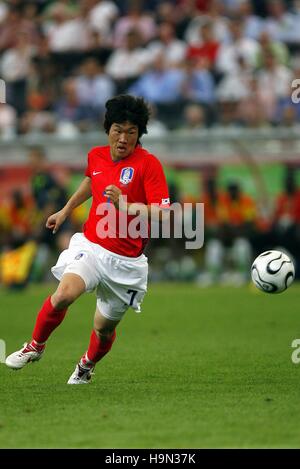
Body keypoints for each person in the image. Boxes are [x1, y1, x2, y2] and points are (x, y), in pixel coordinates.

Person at [5, 95, 170, 384]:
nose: (123, 138)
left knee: (103, 328)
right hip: (92, 246)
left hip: (126, 264)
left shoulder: (149, 165)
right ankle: (35, 346)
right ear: (108, 129)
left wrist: (127, 206)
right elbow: (91, 182)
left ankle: (86, 365)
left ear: (139, 135)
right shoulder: (96, 155)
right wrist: (66, 209)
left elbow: (163, 213)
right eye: (118, 129)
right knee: (63, 295)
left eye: (131, 132)